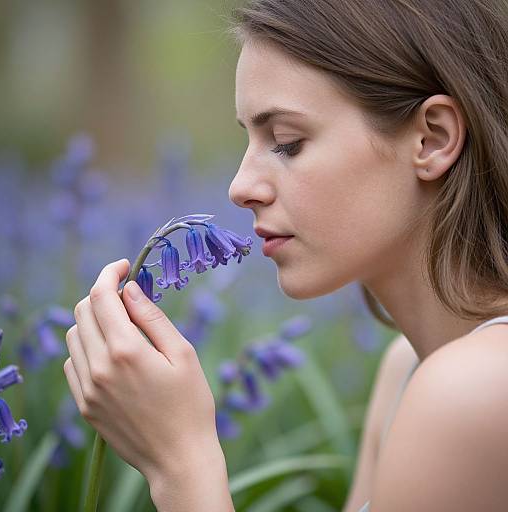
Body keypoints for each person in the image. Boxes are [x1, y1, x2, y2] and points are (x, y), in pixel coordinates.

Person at [63, 1, 508, 510]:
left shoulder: (471, 390)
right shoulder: (406, 368)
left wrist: (181, 464)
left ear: (433, 138)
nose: (239, 187)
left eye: (287, 142)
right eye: (250, 140)